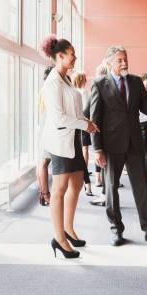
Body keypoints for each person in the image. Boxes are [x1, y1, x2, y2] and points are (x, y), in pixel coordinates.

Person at [90, 45, 147, 246]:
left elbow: (146, 107)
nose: (124, 62)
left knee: (142, 188)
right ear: (109, 63)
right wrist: (97, 149)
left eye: (125, 59)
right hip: (110, 146)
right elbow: (94, 119)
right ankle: (115, 229)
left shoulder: (135, 82)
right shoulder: (100, 84)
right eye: (119, 60)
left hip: (135, 144)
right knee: (111, 188)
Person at [39, 35, 99, 258]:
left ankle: (68, 228)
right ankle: (59, 239)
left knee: (76, 183)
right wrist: (86, 125)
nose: (75, 58)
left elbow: (73, 110)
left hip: (72, 138)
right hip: (60, 141)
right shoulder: (52, 83)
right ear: (60, 56)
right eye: (72, 54)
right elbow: (58, 119)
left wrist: (86, 123)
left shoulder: (65, 79)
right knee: (59, 190)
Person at [89, 63, 109, 207]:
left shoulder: (99, 87)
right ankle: (105, 195)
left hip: (101, 134)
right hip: (103, 134)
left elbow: (90, 113)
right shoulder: (107, 88)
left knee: (106, 167)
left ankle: (105, 196)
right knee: (106, 168)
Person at [36, 66, 55, 206]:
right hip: (48, 131)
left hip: (44, 130)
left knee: (42, 163)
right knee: (44, 163)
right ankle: (45, 194)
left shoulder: (43, 90)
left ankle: (42, 194)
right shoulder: (48, 90)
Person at [73, 72, 94, 197]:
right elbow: (86, 110)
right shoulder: (83, 92)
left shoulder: (73, 91)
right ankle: (84, 170)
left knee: (79, 150)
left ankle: (82, 172)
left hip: (75, 125)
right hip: (83, 123)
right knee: (84, 149)